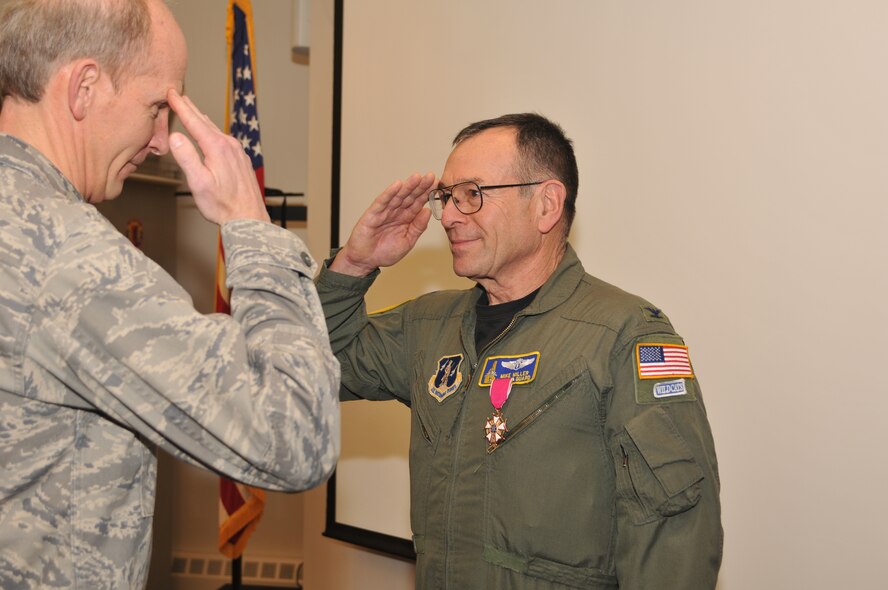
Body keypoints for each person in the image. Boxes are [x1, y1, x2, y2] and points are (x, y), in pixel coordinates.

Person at [0, 1, 339, 588]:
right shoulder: (68, 258)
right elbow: (295, 436)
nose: (162, 141)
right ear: (83, 87)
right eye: (158, 106)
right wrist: (253, 231)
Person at [317, 113, 722, 589]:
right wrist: (355, 264)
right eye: (446, 197)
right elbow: (312, 364)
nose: (446, 216)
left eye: (472, 194)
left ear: (546, 205)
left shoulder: (624, 334)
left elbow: (673, 537)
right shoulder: (428, 326)